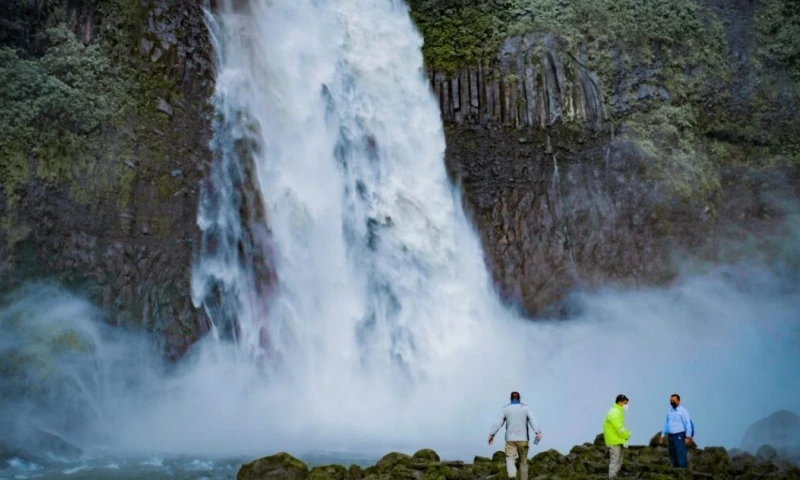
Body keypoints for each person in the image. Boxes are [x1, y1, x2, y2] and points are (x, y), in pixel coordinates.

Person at [487, 391, 543, 480]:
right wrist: (538, 432)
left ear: (510, 398)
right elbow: (533, 420)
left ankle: (512, 476)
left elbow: (498, 423)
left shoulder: (505, 409)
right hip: (523, 439)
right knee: (523, 461)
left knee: (510, 458)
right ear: (519, 398)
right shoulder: (526, 408)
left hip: (510, 439)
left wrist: (491, 435)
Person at [659, 393, 694, 468]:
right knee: (672, 455)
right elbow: (666, 423)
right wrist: (662, 435)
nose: (672, 401)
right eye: (671, 400)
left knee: (680, 455)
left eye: (674, 400)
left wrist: (688, 437)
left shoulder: (683, 411)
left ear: (678, 401)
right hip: (671, 436)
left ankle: (683, 473)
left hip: (679, 435)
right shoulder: (669, 411)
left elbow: (688, 423)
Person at [603, 394, 631, 478]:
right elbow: (619, 427)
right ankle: (612, 477)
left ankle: (615, 477)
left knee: (619, 461)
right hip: (614, 441)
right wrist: (627, 434)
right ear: (620, 402)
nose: (626, 405)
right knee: (615, 461)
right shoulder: (614, 412)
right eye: (625, 403)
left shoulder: (617, 411)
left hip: (617, 440)